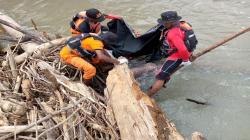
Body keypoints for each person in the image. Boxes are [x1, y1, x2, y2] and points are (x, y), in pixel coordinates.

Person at [147, 11, 192, 97]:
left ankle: (147, 96)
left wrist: (185, 60)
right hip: (177, 55)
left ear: (171, 22)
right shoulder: (179, 27)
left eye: (165, 23)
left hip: (177, 57)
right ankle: (156, 89)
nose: (164, 24)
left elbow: (182, 49)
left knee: (161, 76)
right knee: (164, 73)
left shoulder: (173, 33)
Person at [60, 31, 128, 85]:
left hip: (77, 50)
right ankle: (84, 85)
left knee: (100, 56)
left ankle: (104, 68)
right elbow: (101, 57)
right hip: (68, 55)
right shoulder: (97, 43)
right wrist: (118, 62)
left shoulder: (95, 36)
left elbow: (102, 52)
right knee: (91, 70)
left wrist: (112, 60)